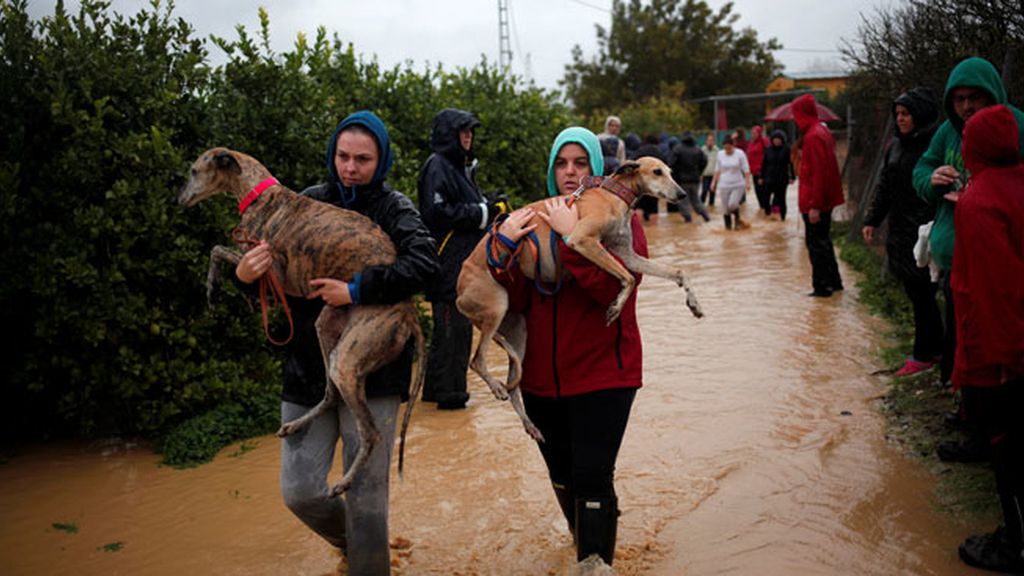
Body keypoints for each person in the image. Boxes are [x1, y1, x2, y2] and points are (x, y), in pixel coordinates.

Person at [235, 110, 438, 575]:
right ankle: (355, 545)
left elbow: (427, 267)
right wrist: (245, 278)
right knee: (300, 492)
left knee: (369, 500)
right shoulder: (303, 202)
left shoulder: (395, 209)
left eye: (362, 159)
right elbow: (273, 282)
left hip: (378, 374)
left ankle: (370, 557)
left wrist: (356, 290)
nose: (350, 167)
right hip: (308, 369)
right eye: (343, 157)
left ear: (380, 160)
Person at [490, 127, 645, 569]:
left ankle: (596, 564)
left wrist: (571, 238)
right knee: (562, 476)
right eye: (562, 163)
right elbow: (516, 303)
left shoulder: (620, 221)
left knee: (592, 475)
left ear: (596, 168)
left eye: (580, 163)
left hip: (605, 376)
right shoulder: (534, 218)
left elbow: (613, 290)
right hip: (541, 381)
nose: (571, 172)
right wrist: (503, 252)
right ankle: (589, 552)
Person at [912, 56, 1024, 386]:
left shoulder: (1017, 127)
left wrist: (984, 196)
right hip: (955, 256)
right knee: (962, 336)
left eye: (975, 97)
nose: (967, 107)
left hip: (1003, 262)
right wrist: (932, 179)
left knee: (1001, 338)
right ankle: (964, 400)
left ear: (992, 93)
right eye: (959, 99)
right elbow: (920, 170)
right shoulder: (948, 131)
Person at [950, 104, 1024, 575]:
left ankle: (1015, 545)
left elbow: (997, 289)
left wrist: (1003, 361)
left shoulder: (979, 204)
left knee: (1008, 446)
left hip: (1003, 350)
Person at [418, 108, 509, 410]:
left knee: (449, 334)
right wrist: (485, 213)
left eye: (471, 131)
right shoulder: (437, 166)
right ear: (449, 134)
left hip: (460, 268)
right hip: (446, 268)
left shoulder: (458, 167)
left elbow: (461, 205)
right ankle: (451, 399)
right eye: (463, 131)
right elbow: (437, 213)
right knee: (454, 333)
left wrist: (488, 204)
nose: (468, 136)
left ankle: (433, 394)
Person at [861, 88, 943, 377]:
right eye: (897, 115)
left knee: (924, 293)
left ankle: (925, 354)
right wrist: (872, 219)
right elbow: (885, 186)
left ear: (919, 115)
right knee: (917, 292)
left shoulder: (932, 145)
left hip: (925, 230)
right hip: (901, 230)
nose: (901, 119)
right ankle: (933, 349)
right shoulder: (896, 146)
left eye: (906, 114)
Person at [792, 93, 845, 297]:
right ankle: (834, 282)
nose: (795, 120)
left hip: (815, 202)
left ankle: (822, 288)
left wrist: (815, 205)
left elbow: (819, 174)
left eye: (796, 115)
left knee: (816, 244)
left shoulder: (813, 136)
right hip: (822, 200)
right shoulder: (821, 132)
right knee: (823, 241)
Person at [710, 136, 752, 230]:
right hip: (724, 184)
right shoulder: (720, 154)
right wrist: (713, 183)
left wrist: (747, 182)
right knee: (725, 209)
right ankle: (728, 229)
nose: (727, 150)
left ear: (733, 146)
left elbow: (746, 169)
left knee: (732, 204)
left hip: (738, 184)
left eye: (729, 148)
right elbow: (717, 170)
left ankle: (738, 220)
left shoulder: (740, 153)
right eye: (725, 148)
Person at [668, 132, 711, 222]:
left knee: (683, 201)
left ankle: (688, 219)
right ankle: (706, 217)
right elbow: (705, 161)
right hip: (695, 179)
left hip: (682, 180)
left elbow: (671, 164)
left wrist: (676, 176)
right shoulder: (697, 149)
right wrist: (699, 172)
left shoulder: (678, 149)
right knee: (696, 200)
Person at [760, 129, 794, 221]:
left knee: (782, 200)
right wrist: (761, 177)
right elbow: (764, 164)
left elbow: (790, 164)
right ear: (772, 140)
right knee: (765, 199)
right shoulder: (768, 150)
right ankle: (768, 215)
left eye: (779, 139)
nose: (777, 141)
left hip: (782, 179)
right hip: (769, 178)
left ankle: (783, 219)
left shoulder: (787, 150)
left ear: (782, 140)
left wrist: (792, 177)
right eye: (775, 139)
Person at [634, 133, 666, 221]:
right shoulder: (659, 152)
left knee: (639, 206)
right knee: (653, 208)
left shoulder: (640, 150)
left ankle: (640, 229)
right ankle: (654, 230)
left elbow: (633, 163)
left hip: (641, 182)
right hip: (655, 184)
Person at [747, 125, 771, 214]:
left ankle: (767, 211)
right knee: (758, 193)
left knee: (764, 194)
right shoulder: (751, 144)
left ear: (759, 133)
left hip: (763, 172)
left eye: (754, 133)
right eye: (752, 133)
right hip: (754, 173)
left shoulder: (764, 142)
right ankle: (763, 212)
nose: (752, 135)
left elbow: (769, 154)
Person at [701, 133, 719, 208]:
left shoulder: (717, 150)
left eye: (711, 140)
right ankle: (701, 206)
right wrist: (700, 174)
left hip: (714, 175)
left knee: (712, 192)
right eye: (708, 140)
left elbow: (719, 163)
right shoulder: (702, 150)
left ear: (714, 141)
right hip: (705, 175)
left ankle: (711, 206)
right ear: (706, 141)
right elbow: (700, 163)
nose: (710, 142)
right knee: (704, 191)